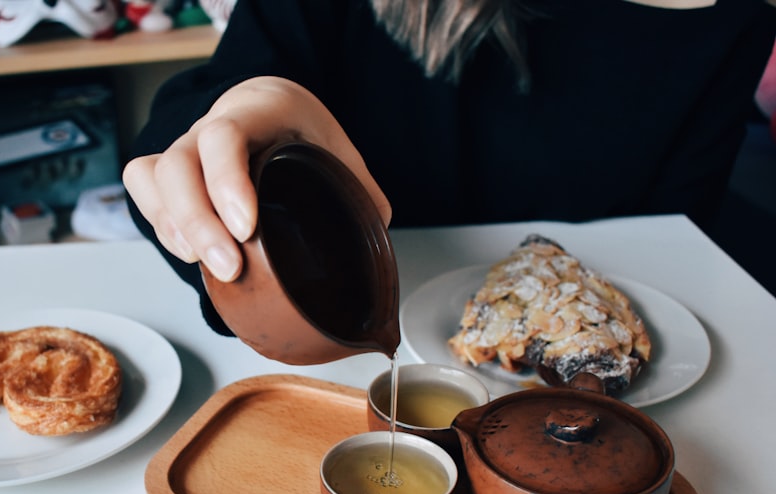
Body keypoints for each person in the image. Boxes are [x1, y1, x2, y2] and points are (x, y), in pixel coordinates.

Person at [124, 0, 776, 335]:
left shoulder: (727, 20)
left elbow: (673, 238)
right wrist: (233, 126)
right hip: (339, 364)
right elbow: (188, 131)